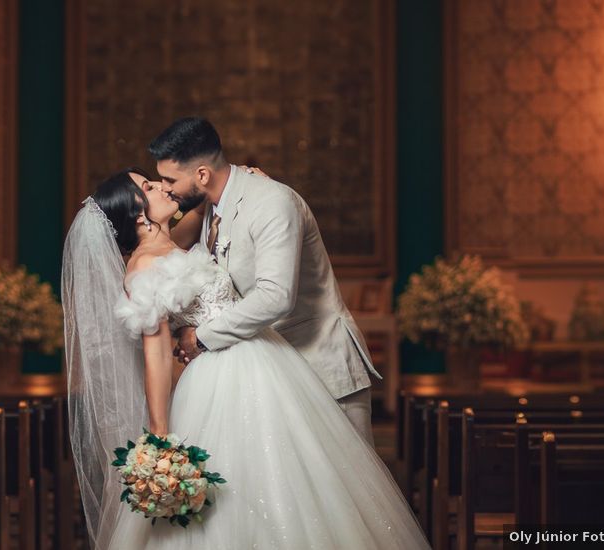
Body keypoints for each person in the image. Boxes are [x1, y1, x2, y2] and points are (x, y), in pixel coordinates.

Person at [62, 167, 429, 549]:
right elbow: (155, 357)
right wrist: (158, 435)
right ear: (138, 214)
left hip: (266, 360)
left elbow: (206, 202)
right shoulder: (143, 266)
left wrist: (246, 182)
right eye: (150, 186)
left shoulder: (174, 239)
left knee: (289, 473)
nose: (163, 187)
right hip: (218, 377)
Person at [156, 117, 381, 445]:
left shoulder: (271, 201)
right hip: (272, 381)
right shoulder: (210, 212)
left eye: (169, 179)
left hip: (321, 368)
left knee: (349, 489)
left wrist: (201, 337)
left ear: (202, 174)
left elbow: (276, 297)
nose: (165, 188)